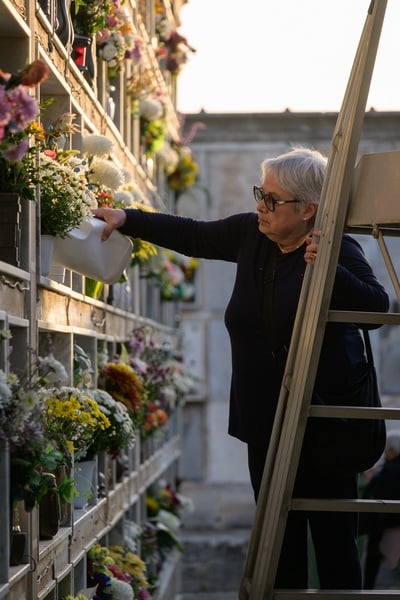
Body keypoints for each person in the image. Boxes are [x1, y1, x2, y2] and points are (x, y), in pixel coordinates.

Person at [93, 147, 389, 590]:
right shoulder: (252, 235)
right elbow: (194, 234)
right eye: (261, 194)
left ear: (309, 209)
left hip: (324, 421)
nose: (261, 207)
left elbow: (377, 305)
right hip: (264, 421)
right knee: (278, 544)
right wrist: (128, 219)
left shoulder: (336, 248)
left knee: (334, 542)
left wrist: (326, 270)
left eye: (273, 200)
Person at [362, 430, 400, 588]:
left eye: (388, 449)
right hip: (392, 522)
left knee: (373, 560)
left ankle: (367, 590)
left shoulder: (389, 469)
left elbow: (376, 492)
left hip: (383, 524)